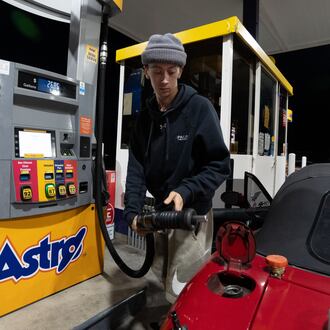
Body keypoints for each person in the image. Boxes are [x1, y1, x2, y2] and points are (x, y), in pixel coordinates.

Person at [123, 33, 230, 303]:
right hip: (161, 214)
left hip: (192, 217)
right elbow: (136, 167)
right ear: (145, 72)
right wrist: (133, 212)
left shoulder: (200, 109)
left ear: (181, 70)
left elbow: (219, 165)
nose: (165, 80)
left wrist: (186, 190)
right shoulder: (145, 118)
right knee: (162, 282)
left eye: (171, 71)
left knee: (186, 289)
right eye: (157, 71)